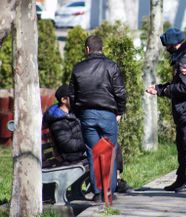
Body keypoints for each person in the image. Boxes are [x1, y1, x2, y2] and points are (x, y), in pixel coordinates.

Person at [146, 28, 186, 193]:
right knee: (182, 146)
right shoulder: (183, 57)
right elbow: (180, 83)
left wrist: (163, 91)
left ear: (174, 44)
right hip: (183, 109)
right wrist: (159, 88)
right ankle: (182, 179)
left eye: (167, 46)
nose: (166, 49)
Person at [70, 35, 126, 202]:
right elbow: (120, 93)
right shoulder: (111, 66)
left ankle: (97, 192)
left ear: (87, 49)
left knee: (93, 152)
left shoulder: (78, 68)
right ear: (101, 48)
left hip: (87, 115)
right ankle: (109, 191)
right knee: (109, 151)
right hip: (108, 114)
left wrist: (78, 113)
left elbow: (72, 95)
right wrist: (119, 112)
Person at [42, 84, 86, 165]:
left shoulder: (72, 115)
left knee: (112, 149)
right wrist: (89, 141)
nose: (76, 99)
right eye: (73, 96)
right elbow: (68, 145)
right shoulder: (57, 121)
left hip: (80, 155)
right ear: (64, 100)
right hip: (70, 160)